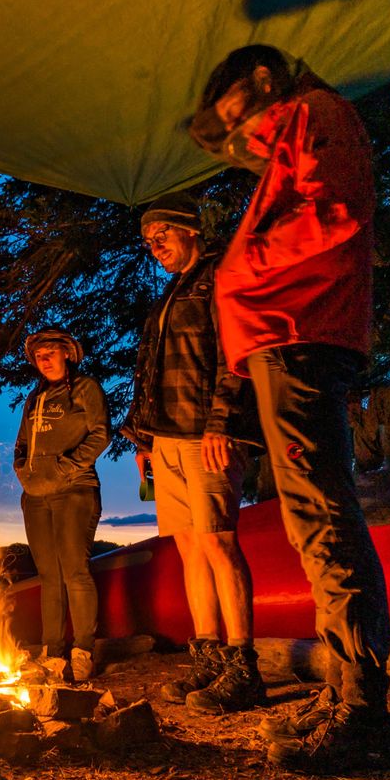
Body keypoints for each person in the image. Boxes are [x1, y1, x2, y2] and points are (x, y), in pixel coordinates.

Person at [188, 45, 390, 772]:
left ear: (264, 83)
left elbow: (336, 208)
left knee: (324, 516)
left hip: (303, 334)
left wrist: (240, 268)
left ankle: (364, 713)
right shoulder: (293, 133)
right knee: (313, 520)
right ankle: (345, 689)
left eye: (238, 116)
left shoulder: (316, 115)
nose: (239, 136)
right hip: (287, 339)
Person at [123, 192, 263, 714]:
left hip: (207, 434)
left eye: (163, 236)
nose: (155, 247)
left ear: (191, 231)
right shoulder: (167, 297)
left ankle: (243, 667)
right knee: (188, 549)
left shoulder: (220, 279)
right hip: (166, 440)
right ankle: (207, 658)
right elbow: (150, 372)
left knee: (220, 543)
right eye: (148, 242)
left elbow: (236, 358)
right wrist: (142, 441)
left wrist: (222, 423)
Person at [13, 328, 109, 683]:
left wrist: (67, 468)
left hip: (75, 490)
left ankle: (83, 650)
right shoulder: (34, 398)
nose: (45, 360)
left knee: (75, 572)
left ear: (67, 353)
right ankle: (52, 654)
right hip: (35, 497)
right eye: (39, 356)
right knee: (49, 577)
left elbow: (101, 433)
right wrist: (23, 470)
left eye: (51, 352)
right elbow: (22, 442)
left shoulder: (86, 388)